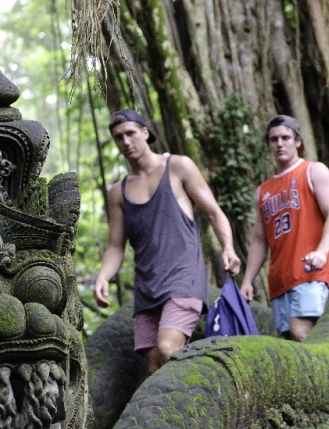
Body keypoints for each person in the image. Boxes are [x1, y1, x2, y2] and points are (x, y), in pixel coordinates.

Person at [94, 109, 241, 373]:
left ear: (145, 133)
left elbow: (213, 212)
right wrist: (103, 277)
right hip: (147, 285)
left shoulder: (178, 166)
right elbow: (116, 246)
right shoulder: (118, 192)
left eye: (130, 133)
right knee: (152, 365)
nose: (126, 142)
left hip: (184, 277)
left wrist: (228, 248)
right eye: (118, 137)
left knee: (167, 348)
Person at [240, 115, 329, 342]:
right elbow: (259, 240)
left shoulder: (313, 171)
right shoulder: (263, 191)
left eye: (285, 138)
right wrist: (247, 280)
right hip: (278, 280)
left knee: (301, 332)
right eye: (274, 139)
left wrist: (322, 251)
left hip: (310, 272)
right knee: (289, 342)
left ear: (297, 142)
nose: (279, 144)